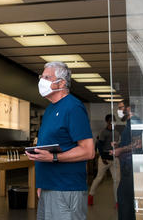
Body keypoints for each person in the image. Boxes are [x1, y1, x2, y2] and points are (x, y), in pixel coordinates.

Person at [26, 62, 95, 220]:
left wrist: (54, 157)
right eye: (41, 77)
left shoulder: (73, 107)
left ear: (62, 82)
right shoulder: (50, 109)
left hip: (66, 189)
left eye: (47, 77)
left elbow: (88, 151)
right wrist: (42, 184)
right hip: (48, 187)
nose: (41, 81)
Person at [111, 99, 141, 220]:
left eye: (121, 108)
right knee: (123, 198)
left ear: (128, 108)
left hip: (132, 167)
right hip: (126, 166)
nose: (119, 111)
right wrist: (118, 146)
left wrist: (121, 150)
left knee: (124, 198)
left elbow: (138, 144)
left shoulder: (135, 121)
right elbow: (130, 143)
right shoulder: (129, 123)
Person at [88, 114, 119, 206]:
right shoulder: (103, 132)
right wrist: (103, 157)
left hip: (114, 159)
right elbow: (99, 146)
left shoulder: (116, 133)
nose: (112, 122)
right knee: (99, 178)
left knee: (117, 180)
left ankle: (117, 201)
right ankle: (90, 195)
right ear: (107, 121)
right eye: (110, 120)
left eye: (114, 120)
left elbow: (117, 145)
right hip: (104, 159)